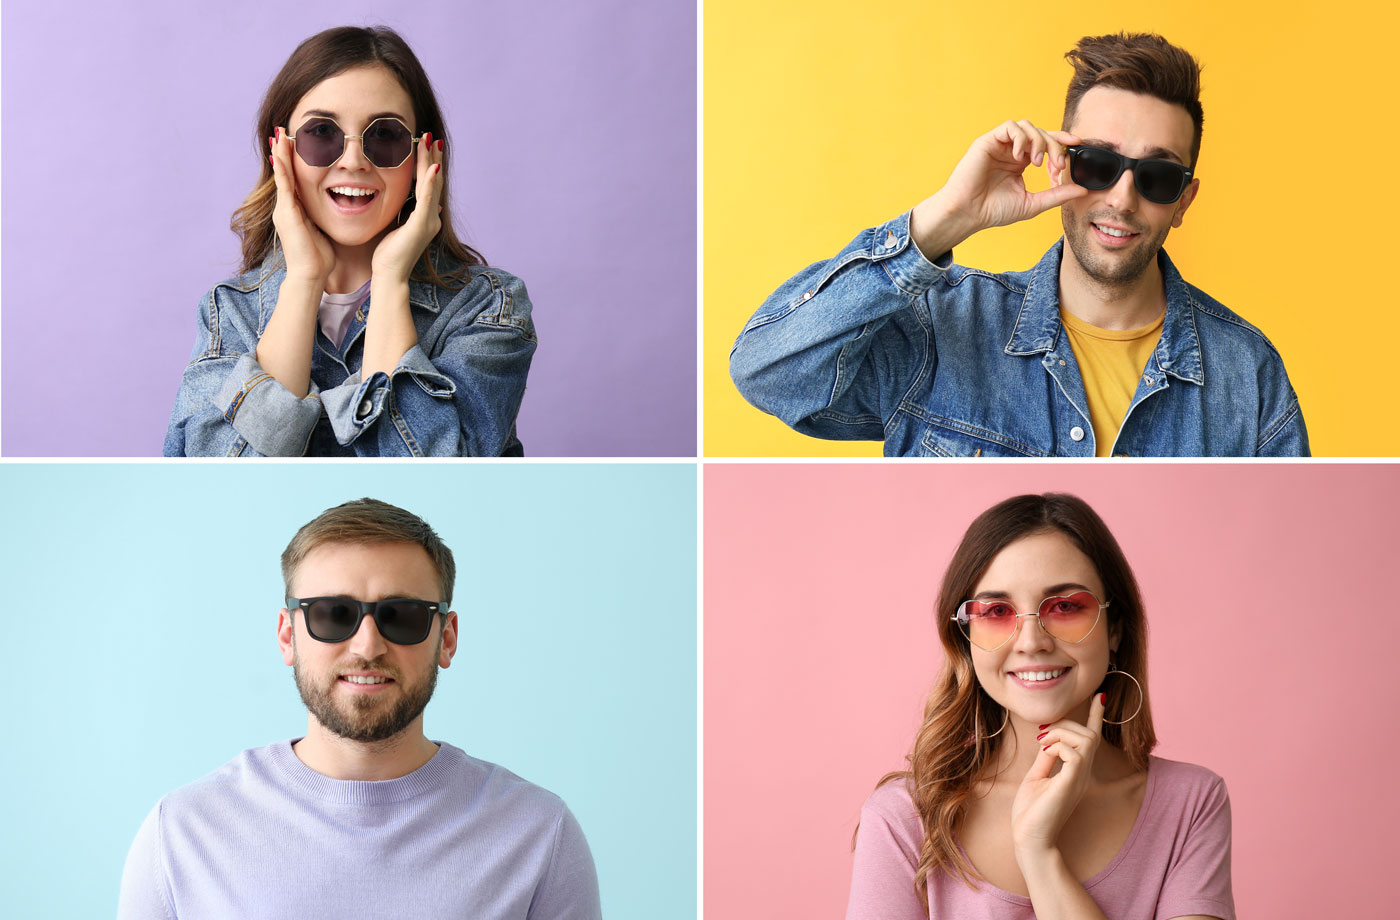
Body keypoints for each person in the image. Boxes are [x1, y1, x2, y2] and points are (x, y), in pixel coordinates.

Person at [730, 33, 1306, 457]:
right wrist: (943, 221)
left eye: (1157, 178)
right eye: (1099, 164)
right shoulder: (943, 327)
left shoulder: (1247, 375)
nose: (1123, 201)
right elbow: (768, 372)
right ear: (1058, 167)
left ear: (1184, 200)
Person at [117, 499, 601, 919]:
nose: (367, 646)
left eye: (403, 616)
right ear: (288, 636)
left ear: (446, 638)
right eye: (333, 614)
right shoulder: (182, 833)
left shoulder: (538, 835)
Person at [846, 494, 1233, 919]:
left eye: (1066, 606)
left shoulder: (1191, 803)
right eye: (996, 611)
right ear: (965, 639)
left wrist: (1038, 853)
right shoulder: (903, 819)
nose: (1031, 642)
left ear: (1115, 629)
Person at [164, 26, 536, 457]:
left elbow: (433, 485)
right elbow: (222, 491)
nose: (354, 161)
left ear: (423, 156)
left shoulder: (488, 307)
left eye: (384, 135)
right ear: (280, 150)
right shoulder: (229, 312)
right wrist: (303, 279)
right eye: (322, 133)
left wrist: (391, 280)